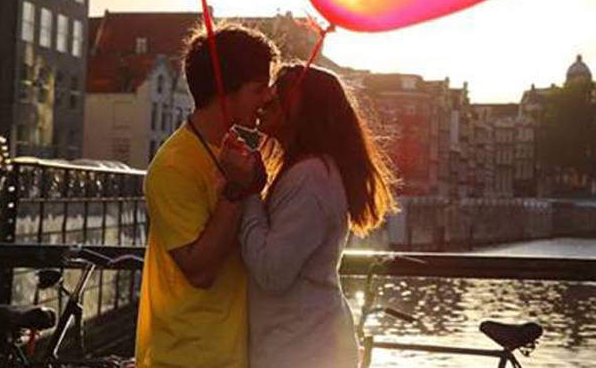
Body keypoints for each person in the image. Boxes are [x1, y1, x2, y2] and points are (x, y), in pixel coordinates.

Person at [136, 23, 279, 368]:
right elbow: (199, 271)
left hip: (230, 353)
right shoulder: (174, 165)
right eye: (258, 89)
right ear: (224, 91)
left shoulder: (233, 152)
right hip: (188, 356)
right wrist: (235, 190)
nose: (268, 98)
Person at [239, 64, 399, 368]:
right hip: (304, 342)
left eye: (279, 92)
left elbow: (272, 273)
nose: (267, 101)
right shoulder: (313, 172)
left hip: (301, 348)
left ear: (303, 109)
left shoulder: (310, 178)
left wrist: (247, 193)